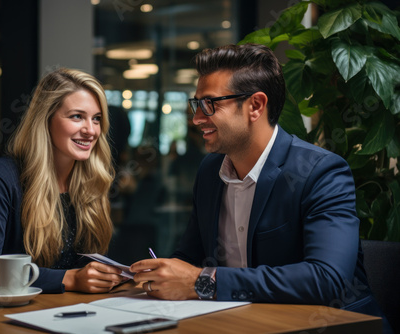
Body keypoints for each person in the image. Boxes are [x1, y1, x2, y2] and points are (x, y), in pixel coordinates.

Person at [130, 44, 391, 332]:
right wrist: (156, 274)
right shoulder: (209, 171)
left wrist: (202, 282)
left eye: (209, 105)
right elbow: (191, 258)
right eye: (196, 104)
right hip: (238, 323)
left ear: (255, 105)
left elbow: (326, 278)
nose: (197, 119)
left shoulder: (321, 172)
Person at [0, 68, 124, 295]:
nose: (91, 130)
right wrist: (69, 279)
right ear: (45, 119)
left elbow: (88, 265)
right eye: (77, 116)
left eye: (96, 119)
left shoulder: (91, 179)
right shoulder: (3, 176)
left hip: (73, 313)